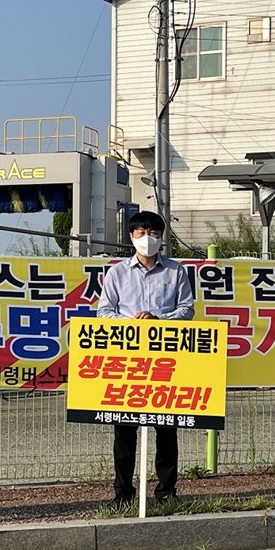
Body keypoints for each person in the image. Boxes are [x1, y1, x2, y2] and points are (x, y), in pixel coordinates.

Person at [97, 210, 195, 507]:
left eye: (152, 232)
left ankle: (166, 492)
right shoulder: (117, 272)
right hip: (128, 362)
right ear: (131, 236)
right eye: (140, 232)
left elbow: (187, 309)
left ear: (161, 237)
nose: (146, 238)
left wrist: (157, 320)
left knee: (167, 429)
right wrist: (132, 323)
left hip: (166, 361)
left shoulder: (175, 271)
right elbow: (104, 312)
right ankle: (122, 494)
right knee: (124, 433)